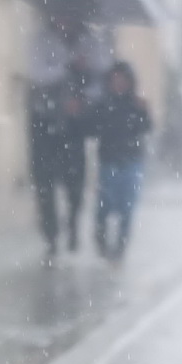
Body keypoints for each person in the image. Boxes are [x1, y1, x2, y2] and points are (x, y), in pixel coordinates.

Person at [27, 9, 110, 260]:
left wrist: (83, 98)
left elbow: (102, 78)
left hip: (75, 124)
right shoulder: (41, 39)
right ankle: (51, 235)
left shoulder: (91, 41)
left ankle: (73, 222)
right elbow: (37, 73)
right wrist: (68, 66)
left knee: (75, 179)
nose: (65, 21)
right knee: (44, 182)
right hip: (44, 117)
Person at [89, 61, 152, 259]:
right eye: (115, 79)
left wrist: (143, 111)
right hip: (109, 161)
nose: (119, 83)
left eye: (122, 79)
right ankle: (101, 237)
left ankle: (120, 249)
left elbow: (147, 127)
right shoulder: (103, 104)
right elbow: (92, 128)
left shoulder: (135, 103)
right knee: (105, 204)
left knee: (127, 206)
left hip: (131, 161)